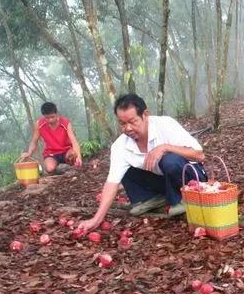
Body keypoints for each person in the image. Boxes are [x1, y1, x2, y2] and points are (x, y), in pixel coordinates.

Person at [78, 93, 207, 232]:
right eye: (122, 123)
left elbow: (200, 155)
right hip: (164, 180)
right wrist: (96, 219)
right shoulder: (120, 146)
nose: (127, 128)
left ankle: (181, 200)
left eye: (132, 122)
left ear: (145, 115)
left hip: (192, 178)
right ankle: (151, 198)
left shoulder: (165, 124)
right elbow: (112, 182)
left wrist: (165, 147)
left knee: (169, 159)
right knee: (125, 169)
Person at [21, 102, 82, 174]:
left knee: (73, 154)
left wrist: (79, 157)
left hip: (66, 151)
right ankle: (60, 170)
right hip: (51, 153)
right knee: (49, 168)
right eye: (47, 118)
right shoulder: (39, 124)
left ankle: (70, 168)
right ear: (43, 116)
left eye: (52, 117)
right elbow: (34, 141)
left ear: (57, 114)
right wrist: (29, 153)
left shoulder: (65, 123)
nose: (50, 120)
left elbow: (74, 141)